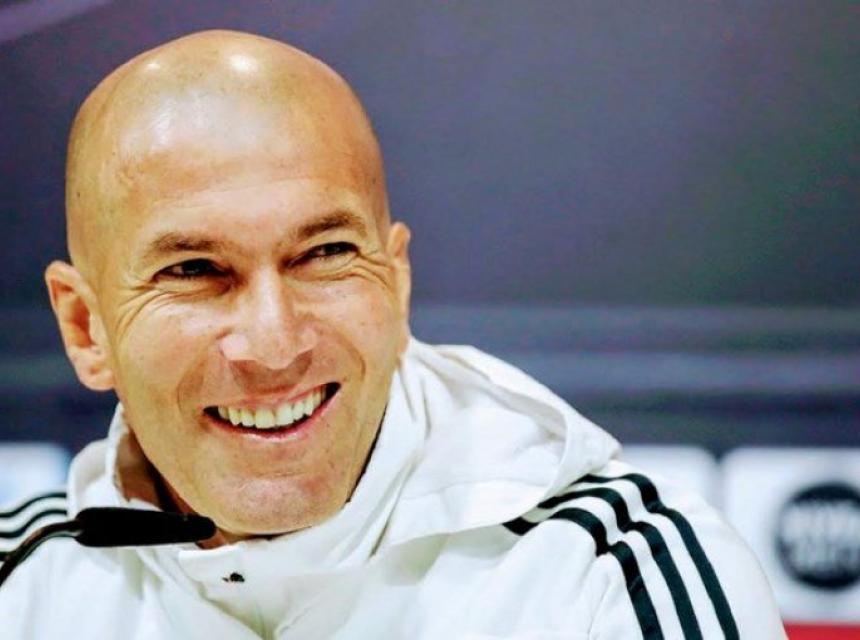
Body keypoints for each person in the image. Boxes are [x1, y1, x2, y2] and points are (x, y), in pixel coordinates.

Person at [0, 30, 785, 639]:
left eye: (324, 254)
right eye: (195, 271)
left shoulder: (615, 579)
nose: (274, 345)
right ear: (85, 327)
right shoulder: (19, 592)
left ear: (397, 280)